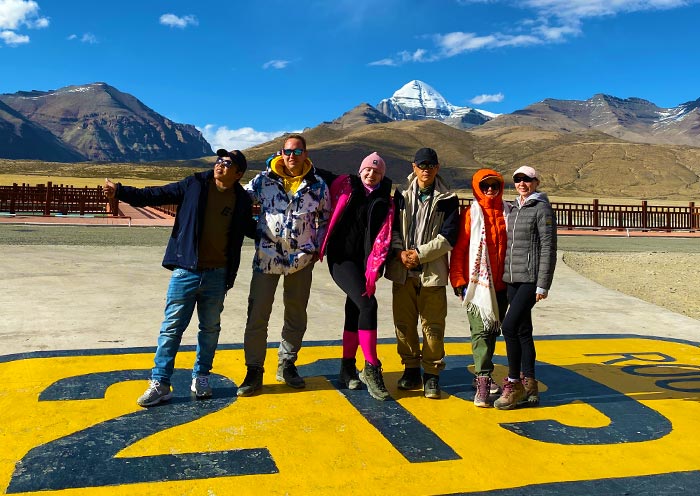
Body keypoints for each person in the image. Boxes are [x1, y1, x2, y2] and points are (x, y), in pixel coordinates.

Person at [104, 149, 254, 407]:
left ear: (239, 174)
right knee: (172, 328)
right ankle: (160, 382)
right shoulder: (194, 184)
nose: (221, 165)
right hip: (186, 270)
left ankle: (202, 376)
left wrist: (286, 239)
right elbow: (155, 194)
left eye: (228, 163)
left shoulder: (240, 199)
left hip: (218, 275)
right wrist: (121, 190)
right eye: (219, 160)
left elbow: (250, 228)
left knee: (210, 329)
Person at [236, 134, 330, 396]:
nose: (292, 156)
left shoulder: (317, 185)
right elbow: (239, 200)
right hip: (266, 259)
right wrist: (251, 232)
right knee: (257, 315)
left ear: (306, 154)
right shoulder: (264, 181)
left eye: (298, 152)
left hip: (301, 261)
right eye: (288, 151)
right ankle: (254, 369)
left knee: (296, 314)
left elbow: (326, 218)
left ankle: (287, 363)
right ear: (281, 153)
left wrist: (315, 248)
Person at [384, 147, 460, 399]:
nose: (425, 170)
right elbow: (391, 226)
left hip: (432, 273)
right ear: (413, 167)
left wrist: (419, 253)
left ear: (437, 168)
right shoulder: (401, 194)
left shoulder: (447, 198)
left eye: (430, 165)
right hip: (402, 271)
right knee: (404, 325)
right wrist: (399, 252)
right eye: (421, 165)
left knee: (433, 326)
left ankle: (432, 374)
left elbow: (449, 236)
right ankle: (411, 369)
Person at [319, 152, 394, 401]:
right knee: (368, 303)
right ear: (360, 170)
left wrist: (377, 264)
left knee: (355, 310)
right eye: (367, 170)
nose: (371, 174)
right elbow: (312, 171)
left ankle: (347, 367)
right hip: (341, 258)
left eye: (377, 171)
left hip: (366, 263)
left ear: (382, 175)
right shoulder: (345, 184)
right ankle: (371, 367)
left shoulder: (385, 198)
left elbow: (385, 232)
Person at [494, 165, 557, 410]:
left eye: (527, 180)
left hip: (530, 278)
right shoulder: (513, 207)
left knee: (508, 326)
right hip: (511, 277)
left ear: (536, 183)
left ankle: (514, 383)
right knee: (522, 330)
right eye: (518, 179)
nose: (522, 183)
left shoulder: (541, 209)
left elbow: (548, 247)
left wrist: (543, 283)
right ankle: (530, 383)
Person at [450, 169, 511, 407]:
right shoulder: (470, 214)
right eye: (485, 186)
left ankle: (484, 372)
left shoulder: (509, 212)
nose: (490, 190)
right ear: (477, 188)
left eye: (494, 186)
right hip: (477, 285)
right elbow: (459, 250)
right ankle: (483, 379)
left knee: (493, 330)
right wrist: (458, 280)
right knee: (481, 332)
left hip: (504, 284)